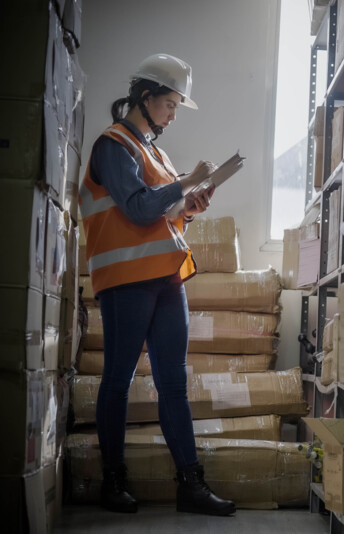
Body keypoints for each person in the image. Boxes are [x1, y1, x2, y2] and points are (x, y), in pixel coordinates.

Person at [78, 53, 235, 516]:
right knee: (118, 381)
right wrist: (186, 180)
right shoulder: (113, 145)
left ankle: (191, 484)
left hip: (165, 279)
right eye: (170, 104)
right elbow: (139, 210)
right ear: (145, 98)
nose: (172, 114)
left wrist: (189, 205)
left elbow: (162, 217)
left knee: (172, 384)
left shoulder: (155, 152)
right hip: (127, 282)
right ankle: (113, 481)